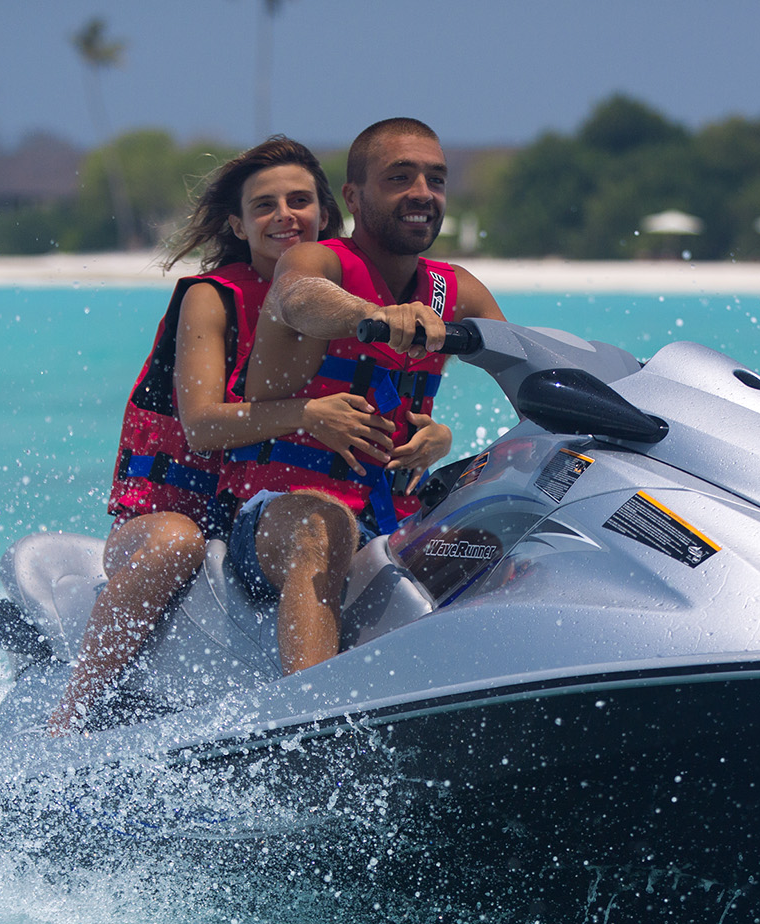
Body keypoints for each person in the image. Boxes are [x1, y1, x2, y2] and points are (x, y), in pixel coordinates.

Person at [48, 137, 410, 733]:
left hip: (263, 510)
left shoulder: (347, 301)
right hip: (170, 512)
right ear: (239, 226)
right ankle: (72, 714)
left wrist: (427, 438)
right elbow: (204, 425)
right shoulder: (213, 298)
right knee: (176, 544)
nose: (285, 215)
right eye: (264, 206)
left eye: (300, 201)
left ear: (326, 215)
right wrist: (307, 414)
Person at [232, 117, 507, 676]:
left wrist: (442, 433)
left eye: (436, 179)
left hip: (392, 517)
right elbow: (298, 299)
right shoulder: (318, 263)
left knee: (508, 532)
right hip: (276, 515)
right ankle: (308, 729)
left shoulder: (455, 289)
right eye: (400, 177)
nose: (422, 194)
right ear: (355, 196)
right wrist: (374, 316)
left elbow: (524, 364)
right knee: (322, 525)